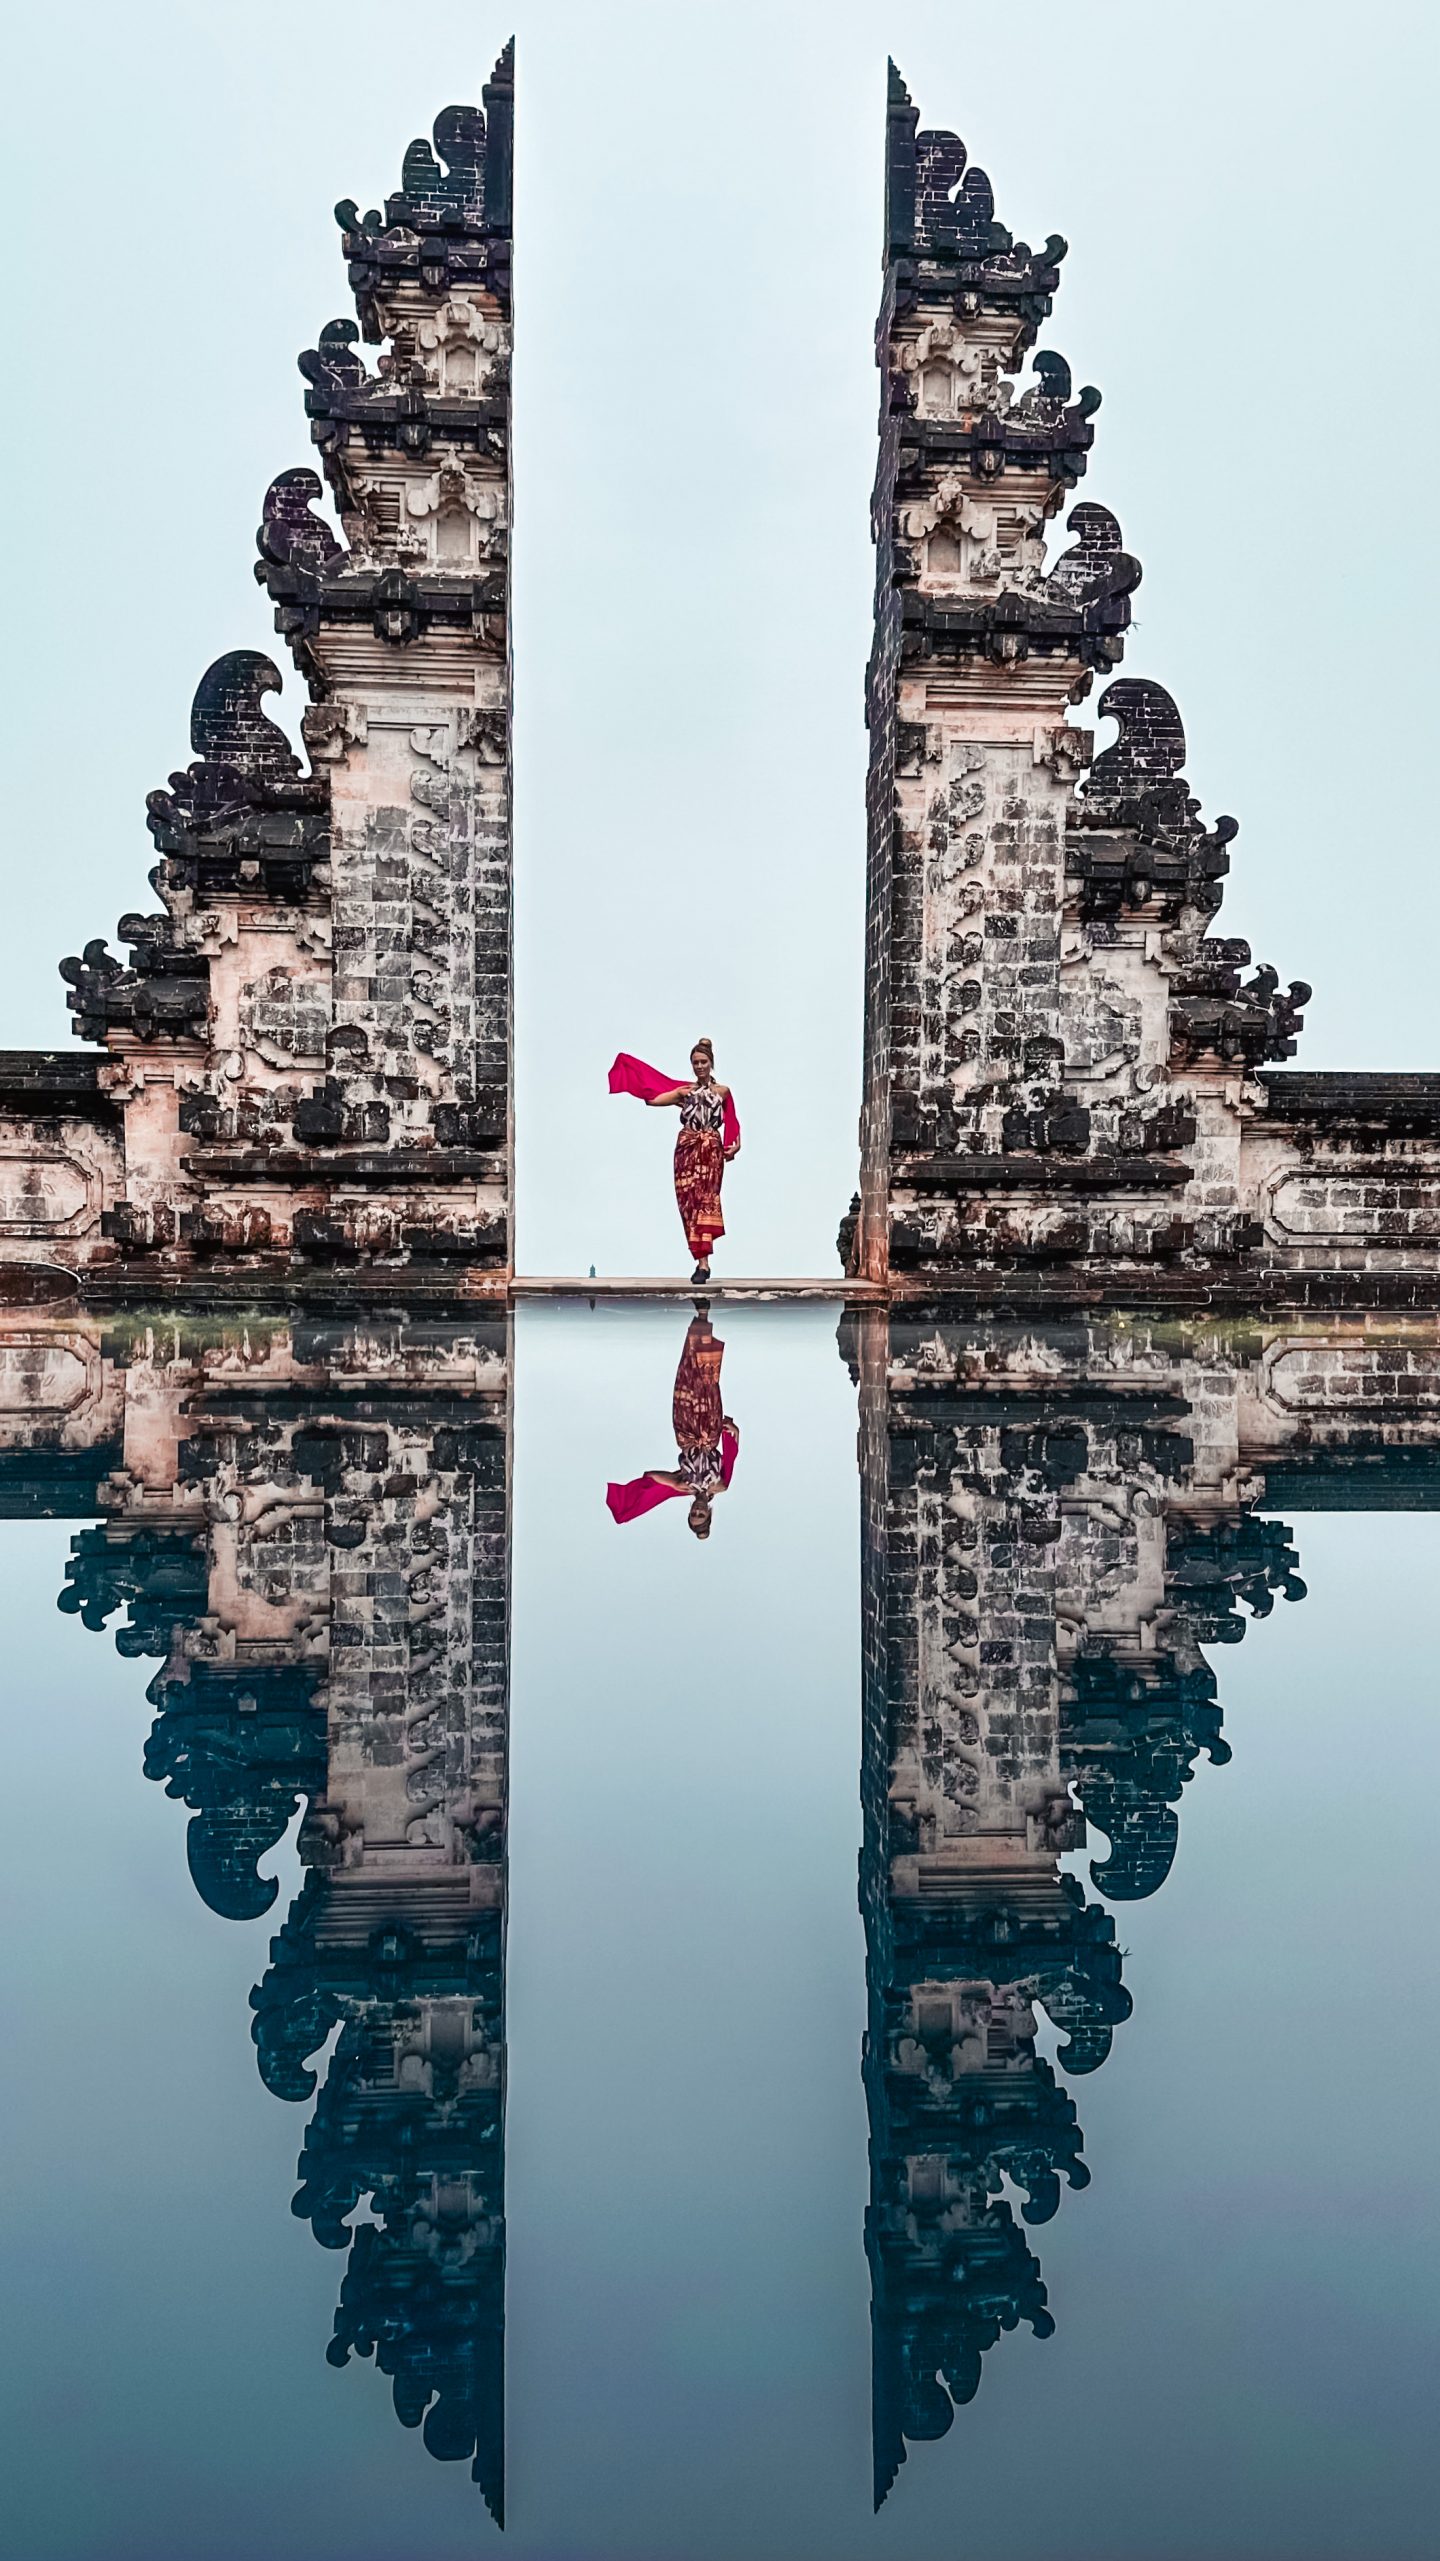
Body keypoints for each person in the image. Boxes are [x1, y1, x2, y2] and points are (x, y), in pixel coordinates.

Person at [608, 1040, 741, 1283]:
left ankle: (703, 1264)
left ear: (711, 1063)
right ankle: (700, 1259)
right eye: (695, 1063)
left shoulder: (723, 1092)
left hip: (710, 1150)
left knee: (705, 1201)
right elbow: (654, 1099)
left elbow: (732, 1121)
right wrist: (636, 1077)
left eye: (703, 1062)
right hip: (686, 1149)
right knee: (688, 1204)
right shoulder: (684, 1092)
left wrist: (734, 1144)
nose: (699, 1066)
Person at [605, 1305, 739, 1538]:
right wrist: (733, 1431)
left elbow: (649, 1475)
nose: (697, 1512)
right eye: (702, 1515)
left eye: (693, 1515)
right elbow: (730, 1455)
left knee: (687, 1376)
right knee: (708, 1379)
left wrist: (674, 1484)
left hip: (685, 1432)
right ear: (709, 1513)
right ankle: (704, 1320)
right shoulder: (720, 1486)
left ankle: (700, 1318)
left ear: (689, 1513)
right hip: (709, 1430)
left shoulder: (684, 1485)